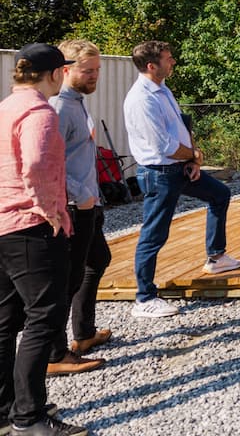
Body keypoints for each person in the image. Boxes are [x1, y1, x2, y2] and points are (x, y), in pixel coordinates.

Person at [0, 43, 91, 436]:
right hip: (31, 227)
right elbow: (35, 165)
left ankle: (6, 408)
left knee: (5, 322)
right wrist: (50, 209)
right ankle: (29, 418)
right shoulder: (39, 112)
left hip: (3, 225)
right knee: (44, 317)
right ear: (56, 73)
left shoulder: (5, 108)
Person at [125, 41, 240, 318]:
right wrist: (194, 155)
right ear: (152, 66)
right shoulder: (143, 99)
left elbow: (179, 126)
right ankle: (144, 298)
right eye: (168, 58)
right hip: (160, 173)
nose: (173, 61)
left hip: (179, 168)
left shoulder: (162, 89)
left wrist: (191, 160)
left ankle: (216, 257)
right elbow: (164, 145)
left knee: (219, 194)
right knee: (154, 234)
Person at [46, 41, 111, 376]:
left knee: (97, 259)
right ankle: (55, 353)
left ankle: (84, 334)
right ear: (66, 70)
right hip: (72, 207)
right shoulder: (58, 107)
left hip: (88, 202)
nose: (95, 76)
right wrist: (79, 195)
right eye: (88, 70)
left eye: (98, 70)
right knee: (66, 280)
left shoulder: (76, 103)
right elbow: (48, 163)